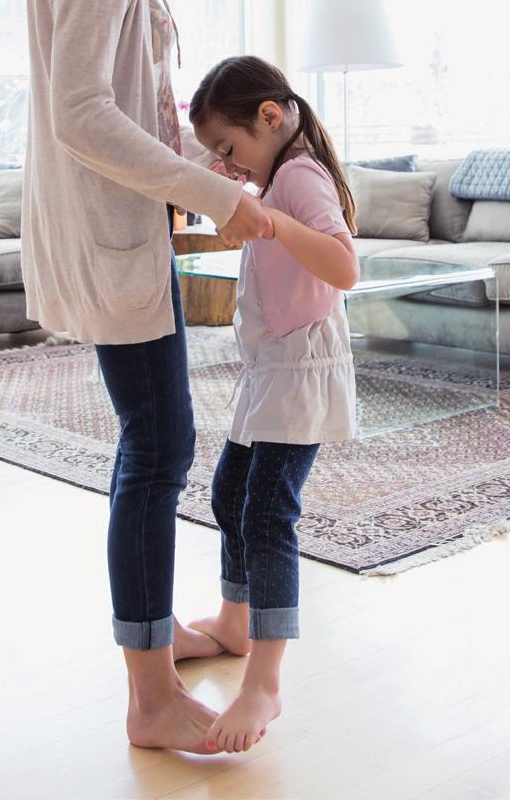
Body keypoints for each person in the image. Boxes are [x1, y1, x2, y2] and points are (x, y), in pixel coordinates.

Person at [21, 0, 275, 755]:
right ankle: (150, 697)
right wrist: (208, 196)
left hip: (133, 229)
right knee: (159, 447)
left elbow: (135, 102)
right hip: (107, 233)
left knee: (158, 441)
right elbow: (80, 113)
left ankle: (154, 650)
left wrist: (205, 169)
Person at [186, 55, 360, 754]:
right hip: (270, 365)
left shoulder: (298, 175)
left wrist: (272, 224)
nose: (229, 167)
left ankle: (264, 678)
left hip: (300, 368)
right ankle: (233, 620)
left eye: (229, 151)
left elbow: (344, 265)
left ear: (269, 116)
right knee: (230, 493)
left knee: (266, 512)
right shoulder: (277, 177)